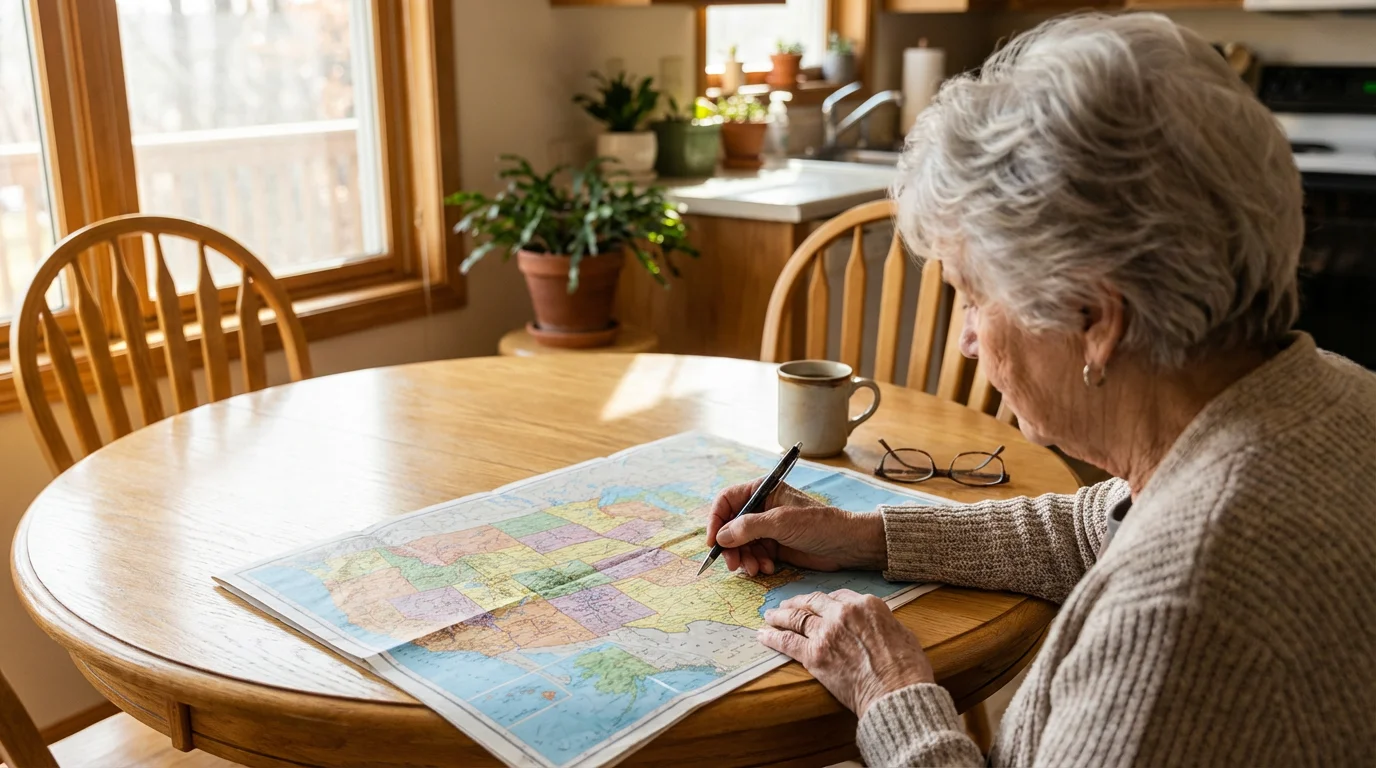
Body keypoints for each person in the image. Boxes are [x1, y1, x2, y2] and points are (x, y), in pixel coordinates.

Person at [706, 12, 1375, 767]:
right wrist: (866, 536)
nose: (964, 338)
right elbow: (1109, 525)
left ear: (1095, 320)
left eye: (969, 293)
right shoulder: (1329, 398)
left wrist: (893, 696)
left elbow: (1166, 559)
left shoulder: (1176, 618)